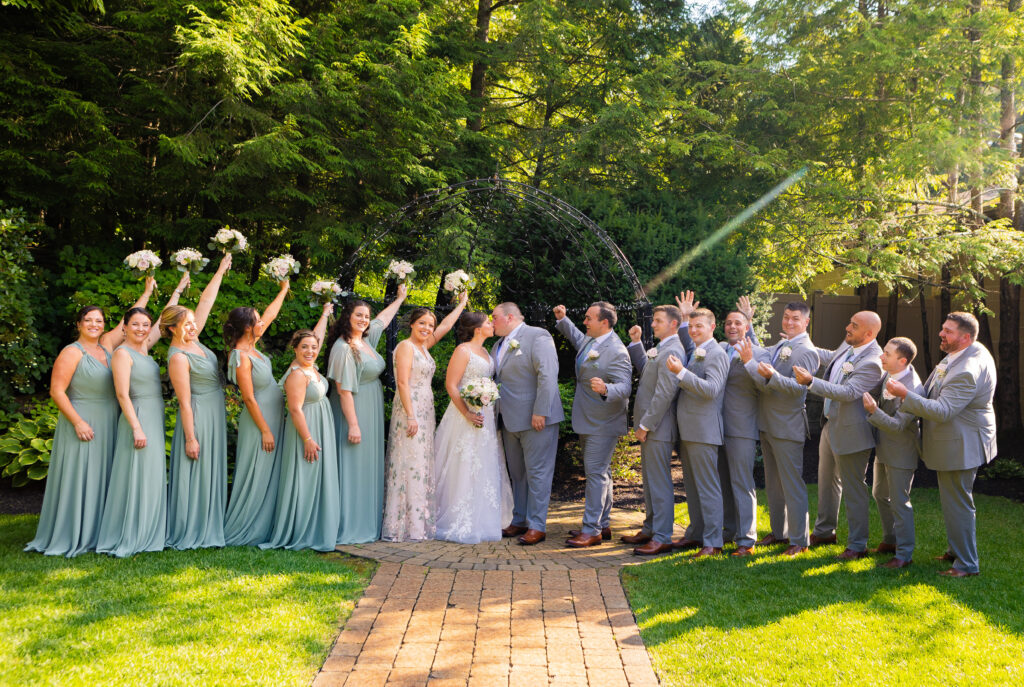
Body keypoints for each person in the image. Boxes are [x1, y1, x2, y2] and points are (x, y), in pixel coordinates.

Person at [26, 276, 159, 557]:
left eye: (99, 321)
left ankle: (99, 532)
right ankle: (72, 532)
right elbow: (56, 391)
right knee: (81, 476)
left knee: (104, 476)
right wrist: (77, 422)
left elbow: (131, 321)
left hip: (110, 420)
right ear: (79, 324)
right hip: (83, 419)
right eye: (89, 320)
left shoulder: (106, 346)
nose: (95, 325)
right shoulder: (71, 352)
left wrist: (147, 292)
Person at [886, 312, 996, 577]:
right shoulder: (964, 352)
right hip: (958, 440)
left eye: (948, 331)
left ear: (965, 337)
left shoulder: (967, 370)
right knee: (952, 501)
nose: (941, 334)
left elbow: (944, 410)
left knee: (958, 503)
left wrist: (905, 395)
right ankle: (955, 550)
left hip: (961, 444)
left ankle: (967, 565)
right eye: (943, 328)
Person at [222, 279, 328, 546]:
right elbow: (247, 397)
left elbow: (269, 315)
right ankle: (243, 527)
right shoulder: (240, 355)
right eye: (257, 321)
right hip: (259, 421)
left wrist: (283, 290)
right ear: (247, 327)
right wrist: (265, 429)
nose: (262, 324)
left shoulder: (253, 346)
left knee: (270, 472)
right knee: (255, 471)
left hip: (273, 417)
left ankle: (266, 525)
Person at [97, 273, 189, 557]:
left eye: (145, 325)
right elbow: (122, 393)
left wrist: (177, 290)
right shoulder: (123, 354)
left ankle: (149, 531)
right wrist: (136, 427)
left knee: (150, 474)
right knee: (134, 473)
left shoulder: (145, 348)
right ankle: (131, 533)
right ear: (124, 327)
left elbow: (165, 320)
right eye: (134, 324)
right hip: (136, 416)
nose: (140, 328)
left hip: (153, 415)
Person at [793, 311, 883, 560]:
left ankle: (857, 545)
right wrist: (802, 342)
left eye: (853, 325)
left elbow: (848, 392)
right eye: (849, 322)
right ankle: (824, 531)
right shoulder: (849, 345)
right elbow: (831, 358)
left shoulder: (873, 362)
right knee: (827, 482)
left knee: (854, 489)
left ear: (869, 334)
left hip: (853, 432)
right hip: (831, 425)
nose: (847, 327)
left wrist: (811, 381)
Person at [381, 293, 466, 542]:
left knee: (420, 462)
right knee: (409, 461)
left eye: (430, 325)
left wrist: (461, 304)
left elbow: (446, 326)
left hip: (426, 409)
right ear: (411, 324)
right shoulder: (406, 347)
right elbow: (403, 383)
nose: (427, 328)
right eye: (422, 324)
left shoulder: (424, 346)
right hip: (411, 408)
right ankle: (403, 525)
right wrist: (410, 416)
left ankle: (418, 522)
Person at [738, 301, 819, 556]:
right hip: (768, 422)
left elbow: (798, 388)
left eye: (795, 318)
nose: (789, 322)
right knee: (773, 483)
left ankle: (799, 541)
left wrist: (772, 376)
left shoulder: (807, 351)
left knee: (792, 484)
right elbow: (761, 354)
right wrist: (748, 326)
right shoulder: (784, 343)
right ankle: (779, 532)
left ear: (806, 322)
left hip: (787, 425)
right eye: (786, 317)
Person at [327, 286, 406, 545]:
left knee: (368, 464)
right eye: (358, 315)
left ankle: (368, 522)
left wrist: (400, 299)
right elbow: (344, 390)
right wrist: (353, 425)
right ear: (347, 317)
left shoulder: (366, 340)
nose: (363, 320)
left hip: (371, 406)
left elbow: (382, 320)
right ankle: (349, 524)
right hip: (354, 410)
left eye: (366, 316)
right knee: (353, 464)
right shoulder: (344, 348)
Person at [164, 253, 232, 550]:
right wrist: (190, 437)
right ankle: (193, 528)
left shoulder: (194, 340)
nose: (193, 327)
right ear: (170, 329)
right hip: (199, 415)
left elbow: (205, 302)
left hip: (214, 410)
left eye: (193, 323)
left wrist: (220, 269)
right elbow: (185, 402)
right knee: (198, 466)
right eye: (186, 324)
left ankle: (211, 522)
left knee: (211, 467)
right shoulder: (178, 356)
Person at [554, 302, 632, 548]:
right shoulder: (593, 341)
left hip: (604, 421)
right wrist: (563, 320)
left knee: (595, 474)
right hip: (587, 418)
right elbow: (579, 339)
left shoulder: (618, 351)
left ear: (604, 323)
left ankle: (591, 530)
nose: (585, 322)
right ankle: (603, 523)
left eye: (589, 318)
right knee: (601, 473)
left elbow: (626, 386)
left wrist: (607, 388)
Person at [434, 311, 514, 543]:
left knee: (485, 462)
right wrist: (467, 412)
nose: (492, 324)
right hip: (464, 415)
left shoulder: (486, 353)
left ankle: (484, 518)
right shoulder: (463, 350)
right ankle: (459, 518)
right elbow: (451, 385)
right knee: (463, 463)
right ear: (478, 329)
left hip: (485, 415)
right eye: (488, 322)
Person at [260, 329, 341, 552]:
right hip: (306, 430)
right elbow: (295, 409)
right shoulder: (297, 374)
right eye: (304, 346)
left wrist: (326, 312)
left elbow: (320, 336)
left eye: (314, 347)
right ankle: (302, 531)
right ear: (294, 348)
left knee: (318, 478)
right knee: (305, 477)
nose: (310, 351)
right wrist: (307, 438)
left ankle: (318, 527)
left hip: (321, 426)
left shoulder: (312, 369)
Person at [491, 302, 563, 545]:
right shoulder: (497, 345)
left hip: (536, 418)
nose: (491, 322)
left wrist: (541, 410)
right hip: (508, 419)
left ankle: (537, 525)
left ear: (509, 317)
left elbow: (548, 374)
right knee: (518, 474)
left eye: (494, 318)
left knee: (538, 473)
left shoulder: (537, 336)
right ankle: (519, 519)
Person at [622, 306, 685, 555]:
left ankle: (662, 537)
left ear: (673, 324)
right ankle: (650, 529)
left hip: (659, 426)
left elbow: (665, 392)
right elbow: (649, 377)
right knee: (649, 481)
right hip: (651, 426)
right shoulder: (661, 348)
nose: (654, 324)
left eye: (658, 321)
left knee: (659, 483)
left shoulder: (673, 349)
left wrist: (646, 424)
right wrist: (637, 343)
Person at [666, 308, 729, 557]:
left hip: (704, 431)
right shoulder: (696, 352)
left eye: (699, 326)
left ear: (712, 327)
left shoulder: (717, 354)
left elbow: (712, 389)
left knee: (708, 487)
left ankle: (713, 542)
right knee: (692, 487)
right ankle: (696, 534)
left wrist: (681, 372)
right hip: (689, 430)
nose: (693, 331)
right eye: (691, 326)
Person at [862, 337, 923, 569]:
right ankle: (890, 540)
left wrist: (873, 411)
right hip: (883, 447)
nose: (881, 357)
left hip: (901, 452)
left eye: (887, 354)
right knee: (879, 494)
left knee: (900, 502)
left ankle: (904, 555)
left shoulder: (913, 389)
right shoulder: (890, 373)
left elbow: (898, 425)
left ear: (903, 360)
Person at [717, 307, 769, 556]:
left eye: (738, 322)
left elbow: (765, 385)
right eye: (728, 323)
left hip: (741, 428)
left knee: (742, 483)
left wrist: (749, 362)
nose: (732, 327)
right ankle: (729, 530)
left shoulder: (759, 353)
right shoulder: (719, 349)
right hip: (715, 427)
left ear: (747, 326)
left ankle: (747, 540)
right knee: (723, 483)